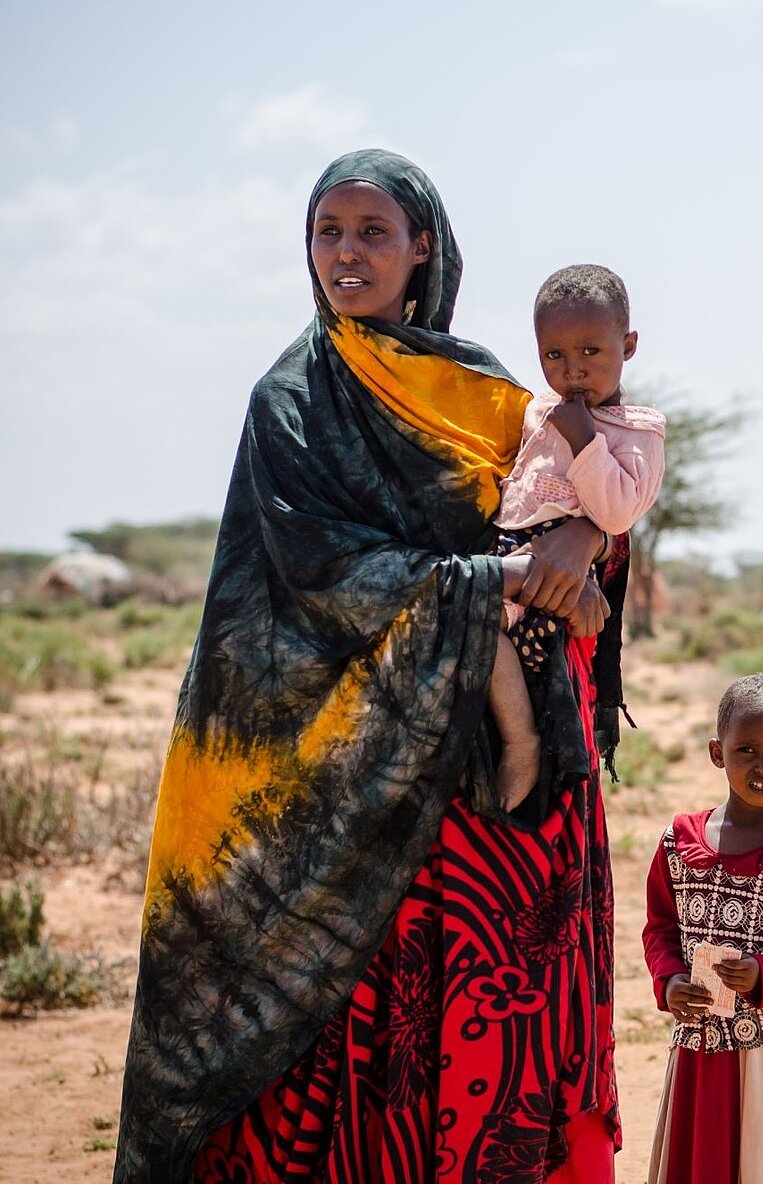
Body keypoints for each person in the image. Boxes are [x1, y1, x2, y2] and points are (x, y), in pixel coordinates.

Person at [113, 149, 622, 1183]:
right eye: (328, 232)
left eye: (373, 232)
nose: (347, 253)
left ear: (422, 245)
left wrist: (585, 543)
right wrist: (501, 575)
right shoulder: (290, 401)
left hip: (490, 771)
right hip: (344, 767)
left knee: (504, 993)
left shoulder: (480, 386)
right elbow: (315, 569)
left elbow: (575, 492)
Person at [642, 673, 763, 1184]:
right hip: (697, 1046)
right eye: (746, 749)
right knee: (700, 1159)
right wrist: (668, 982)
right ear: (716, 752)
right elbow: (659, 929)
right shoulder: (678, 840)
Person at [489, 264, 665, 810]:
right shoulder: (536, 411)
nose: (573, 371)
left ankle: (524, 744)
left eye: (591, 351)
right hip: (505, 553)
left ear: (628, 345)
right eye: (555, 356)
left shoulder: (637, 432)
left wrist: (587, 440)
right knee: (466, 624)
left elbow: (615, 514)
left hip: (567, 578)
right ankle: (513, 737)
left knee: (547, 676)